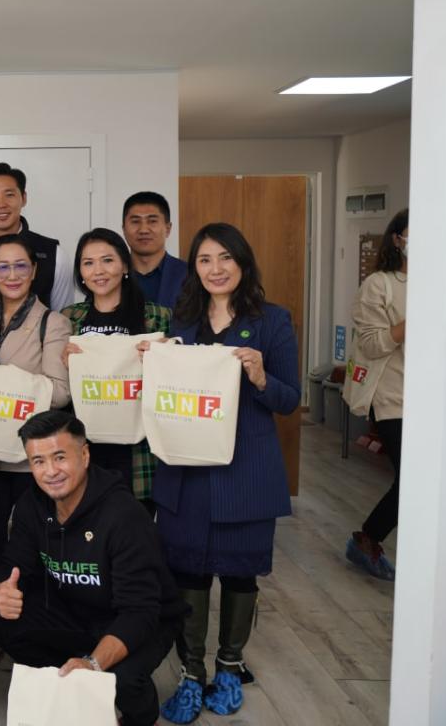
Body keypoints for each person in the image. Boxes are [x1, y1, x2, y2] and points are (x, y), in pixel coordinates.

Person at [154, 223, 300, 723]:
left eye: (225, 258)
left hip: (247, 470)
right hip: (187, 470)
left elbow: (290, 400)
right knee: (187, 570)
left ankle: (230, 666)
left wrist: (261, 376)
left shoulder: (272, 322)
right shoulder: (182, 320)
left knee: (240, 572)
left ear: (243, 263)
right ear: (193, 268)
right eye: (204, 260)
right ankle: (192, 675)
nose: (215, 269)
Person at [0, 409, 185, 726]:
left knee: (123, 680)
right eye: (38, 461)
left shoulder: (124, 515)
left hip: (141, 617)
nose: (50, 471)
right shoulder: (30, 504)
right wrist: (0, 590)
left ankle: (141, 716)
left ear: (85, 454)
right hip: (75, 608)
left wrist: (93, 664)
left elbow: (140, 611)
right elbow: (12, 563)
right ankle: (67, 686)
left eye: (60, 457)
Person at [0, 234, 72, 551]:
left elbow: (60, 393)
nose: (12, 276)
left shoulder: (52, 323)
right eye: (3, 267)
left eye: (20, 266)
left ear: (34, 271)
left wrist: (2, 381)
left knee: (31, 543)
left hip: (27, 459)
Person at [61, 228, 170, 507]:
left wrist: (164, 358)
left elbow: (174, 384)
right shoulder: (70, 318)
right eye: (88, 263)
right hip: (86, 440)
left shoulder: (156, 317)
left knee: (134, 531)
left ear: (124, 264)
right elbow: (58, 388)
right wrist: (63, 362)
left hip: (138, 450)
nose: (98, 270)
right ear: (80, 272)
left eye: (107, 260)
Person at [344, 209, 408, 581]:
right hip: (393, 396)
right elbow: (373, 344)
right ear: (397, 239)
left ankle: (368, 538)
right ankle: (367, 540)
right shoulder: (380, 285)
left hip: (436, 397)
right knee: (411, 479)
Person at [0, 162, 76, 311]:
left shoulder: (54, 254)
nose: (1, 204)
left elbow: (63, 315)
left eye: (9, 195)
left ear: (23, 198)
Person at [121, 191, 188, 309]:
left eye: (152, 221)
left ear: (168, 229)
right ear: (124, 229)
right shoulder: (111, 275)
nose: (143, 230)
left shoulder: (189, 275)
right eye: (135, 221)